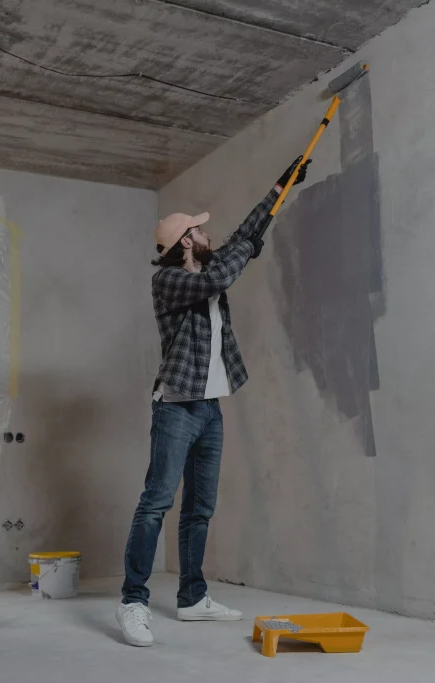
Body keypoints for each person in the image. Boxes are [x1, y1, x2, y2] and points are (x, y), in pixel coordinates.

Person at [116, 157, 312, 647]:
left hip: (209, 408)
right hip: (176, 407)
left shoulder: (207, 262)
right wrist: (245, 247)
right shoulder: (170, 281)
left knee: (200, 507)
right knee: (157, 502)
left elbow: (244, 236)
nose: (208, 236)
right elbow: (216, 278)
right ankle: (133, 602)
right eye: (200, 233)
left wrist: (278, 186)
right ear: (186, 241)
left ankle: (191, 598)